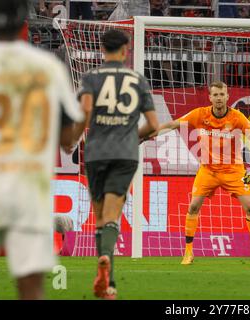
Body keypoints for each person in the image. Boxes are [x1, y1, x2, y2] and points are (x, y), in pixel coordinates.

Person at [0, 0, 84, 300]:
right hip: (28, 187)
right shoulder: (47, 68)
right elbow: (68, 141)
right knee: (31, 288)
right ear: (23, 25)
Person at [145, 81, 250, 266]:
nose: (219, 98)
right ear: (210, 97)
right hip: (208, 170)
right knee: (193, 207)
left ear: (227, 96)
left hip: (234, 170)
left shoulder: (237, 118)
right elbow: (173, 124)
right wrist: (150, 134)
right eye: (215, 95)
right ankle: (188, 253)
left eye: (222, 94)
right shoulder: (199, 114)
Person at [77, 29, 159, 300]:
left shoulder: (90, 78)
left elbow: (85, 113)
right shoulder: (137, 79)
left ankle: (106, 274)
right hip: (124, 155)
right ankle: (108, 279)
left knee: (99, 217)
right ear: (126, 50)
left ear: (102, 50)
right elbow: (154, 126)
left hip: (96, 153)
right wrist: (129, 136)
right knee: (113, 216)